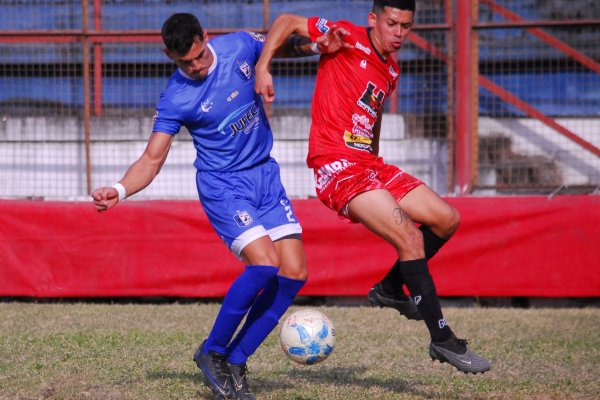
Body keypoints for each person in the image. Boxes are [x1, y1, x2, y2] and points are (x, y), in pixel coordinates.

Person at [91, 13, 348, 400]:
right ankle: (212, 352)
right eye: (184, 62)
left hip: (264, 176)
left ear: (206, 38)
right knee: (265, 264)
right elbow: (152, 158)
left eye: (198, 57)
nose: (194, 67)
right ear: (168, 54)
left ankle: (237, 358)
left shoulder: (240, 44)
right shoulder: (176, 96)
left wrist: (314, 47)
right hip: (224, 187)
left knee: (294, 273)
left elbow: (280, 44)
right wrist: (120, 189)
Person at [255, 0, 491, 374]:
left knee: (447, 218)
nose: (398, 33)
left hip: (369, 164)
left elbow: (374, 116)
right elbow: (285, 21)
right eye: (392, 23)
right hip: (337, 166)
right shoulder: (345, 35)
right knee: (410, 239)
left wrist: (376, 162)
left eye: (406, 26)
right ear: (374, 19)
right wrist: (262, 67)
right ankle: (444, 340)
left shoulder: (391, 69)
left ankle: (388, 288)